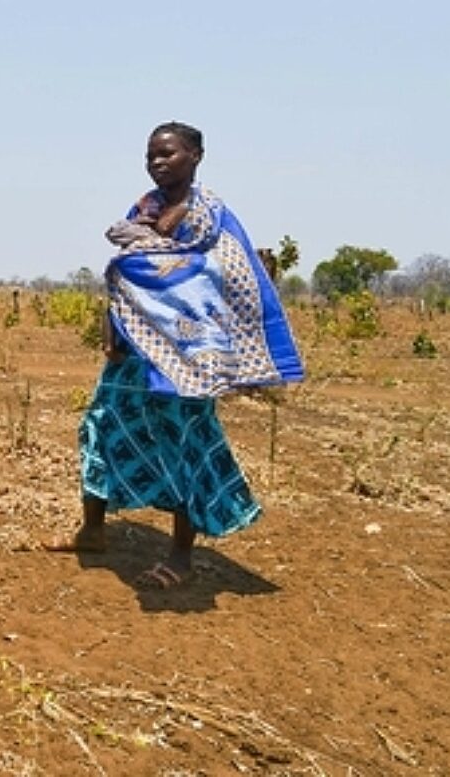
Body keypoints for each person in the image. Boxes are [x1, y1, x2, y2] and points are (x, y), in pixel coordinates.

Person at [50, 122, 303, 588]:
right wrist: (114, 328)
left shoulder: (211, 215)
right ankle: (92, 530)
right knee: (101, 426)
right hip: (136, 349)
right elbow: (129, 275)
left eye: (167, 153)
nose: (157, 162)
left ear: (196, 155)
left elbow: (220, 272)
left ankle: (181, 555)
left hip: (189, 354)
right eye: (151, 155)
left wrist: (164, 261)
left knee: (183, 445)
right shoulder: (143, 208)